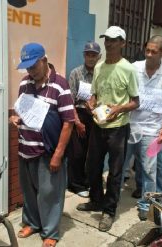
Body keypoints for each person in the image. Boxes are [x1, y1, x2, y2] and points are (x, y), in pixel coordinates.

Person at [9, 43, 74, 247]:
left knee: (49, 193)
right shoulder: (25, 83)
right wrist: (15, 118)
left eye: (33, 66)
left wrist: (58, 154)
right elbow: (23, 111)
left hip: (47, 150)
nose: (30, 71)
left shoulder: (60, 85)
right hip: (25, 147)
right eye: (27, 67)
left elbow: (69, 122)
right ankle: (32, 223)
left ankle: (51, 232)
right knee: (29, 191)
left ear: (44, 61)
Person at [75, 26, 139, 232]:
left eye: (114, 40)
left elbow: (136, 102)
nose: (109, 43)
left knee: (115, 172)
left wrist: (120, 108)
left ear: (123, 43)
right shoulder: (100, 67)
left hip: (118, 128)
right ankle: (96, 199)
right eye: (107, 39)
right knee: (92, 167)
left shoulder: (128, 69)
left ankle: (109, 211)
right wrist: (91, 103)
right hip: (98, 126)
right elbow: (94, 94)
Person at [124, 35, 162, 221]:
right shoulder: (134, 68)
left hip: (153, 131)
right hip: (130, 127)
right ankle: (113, 199)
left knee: (149, 170)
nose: (148, 54)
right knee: (121, 166)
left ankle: (145, 204)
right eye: (147, 50)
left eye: (153, 52)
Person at [67, 41, 101, 198]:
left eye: (93, 55)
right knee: (77, 152)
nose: (90, 58)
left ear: (99, 57)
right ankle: (76, 184)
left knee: (93, 152)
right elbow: (70, 101)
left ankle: (88, 181)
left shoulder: (101, 74)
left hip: (96, 116)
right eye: (88, 54)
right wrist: (78, 123)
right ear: (84, 55)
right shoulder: (75, 73)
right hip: (79, 114)